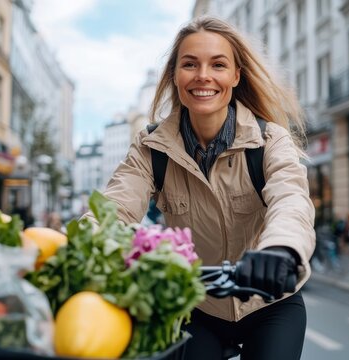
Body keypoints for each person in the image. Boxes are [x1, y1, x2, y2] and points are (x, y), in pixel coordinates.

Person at [93, 16, 315, 360]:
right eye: (190, 64)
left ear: (235, 76)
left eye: (218, 64)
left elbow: (292, 200)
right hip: (198, 307)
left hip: (271, 304)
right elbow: (113, 210)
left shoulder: (269, 139)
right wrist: (80, 247)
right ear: (175, 76)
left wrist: (281, 250)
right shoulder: (151, 147)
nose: (203, 76)